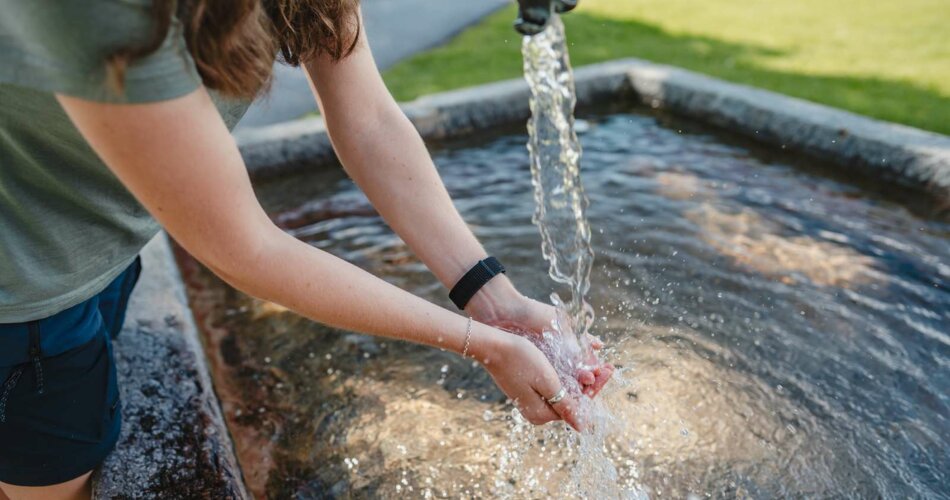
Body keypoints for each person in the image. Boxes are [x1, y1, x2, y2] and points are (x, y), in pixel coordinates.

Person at [0, 0, 612, 498]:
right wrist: (484, 345)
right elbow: (246, 248)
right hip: (22, 290)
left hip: (96, 241)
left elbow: (368, 120)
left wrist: (495, 299)